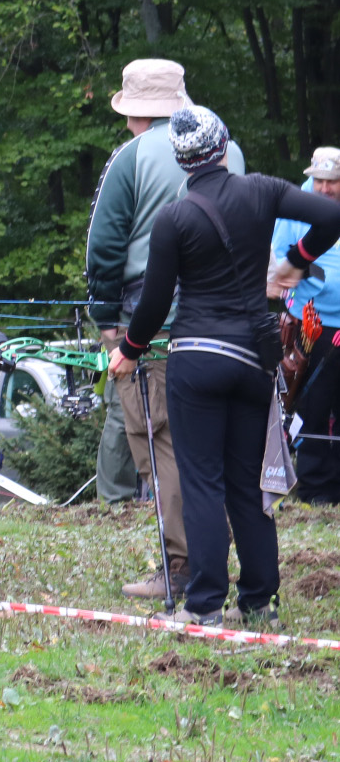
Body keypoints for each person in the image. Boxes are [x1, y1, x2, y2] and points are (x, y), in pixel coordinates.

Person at [109, 107, 340, 628]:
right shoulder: (260, 190)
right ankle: (260, 600)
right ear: (224, 146)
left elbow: (154, 303)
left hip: (196, 360)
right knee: (246, 484)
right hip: (253, 360)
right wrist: (297, 260)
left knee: (202, 483)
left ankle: (205, 603)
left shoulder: (174, 218)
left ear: (183, 160)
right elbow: (331, 216)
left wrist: (128, 348)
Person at [85, 59, 243, 599]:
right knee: (218, 448)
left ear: (136, 112)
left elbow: (103, 248)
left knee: (162, 444)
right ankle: (224, 563)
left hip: (153, 326)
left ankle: (182, 567)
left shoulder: (130, 157)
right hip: (230, 321)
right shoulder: (230, 150)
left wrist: (107, 321)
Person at [272, 147, 340, 506]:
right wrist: (310, 271)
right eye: (320, 180)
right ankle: (317, 488)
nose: (325, 188)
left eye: (332, 181)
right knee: (312, 405)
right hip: (312, 324)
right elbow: (280, 260)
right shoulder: (297, 206)